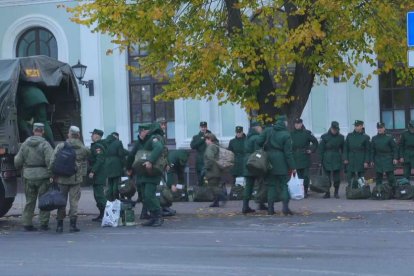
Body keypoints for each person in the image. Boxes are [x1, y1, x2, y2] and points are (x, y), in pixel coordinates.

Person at [14, 122, 54, 231]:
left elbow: (17, 161)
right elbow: (50, 161)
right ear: (43, 131)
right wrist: (51, 174)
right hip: (43, 176)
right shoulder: (45, 144)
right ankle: (44, 223)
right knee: (44, 200)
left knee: (30, 201)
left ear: (33, 131)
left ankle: (27, 223)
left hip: (28, 176)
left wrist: (21, 168)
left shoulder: (25, 144)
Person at [49, 126, 89, 233]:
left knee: (61, 202)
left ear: (69, 134)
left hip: (62, 179)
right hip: (75, 179)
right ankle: (72, 226)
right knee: (74, 202)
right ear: (79, 135)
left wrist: (52, 174)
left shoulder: (61, 146)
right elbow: (88, 157)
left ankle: (59, 226)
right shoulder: (83, 148)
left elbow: (52, 161)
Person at [256, 115, 296, 215]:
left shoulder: (268, 130)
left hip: (268, 161)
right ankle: (285, 208)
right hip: (281, 161)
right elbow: (288, 153)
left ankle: (270, 209)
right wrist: (293, 167)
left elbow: (259, 141)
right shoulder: (286, 134)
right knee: (283, 185)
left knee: (271, 185)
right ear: (284, 123)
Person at [127, 123, 165, 227]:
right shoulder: (139, 142)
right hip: (142, 174)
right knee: (144, 197)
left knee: (149, 195)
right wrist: (128, 168)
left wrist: (150, 161)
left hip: (152, 172)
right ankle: (153, 217)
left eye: (140, 132)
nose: (139, 134)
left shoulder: (153, 139)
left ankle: (158, 217)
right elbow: (131, 155)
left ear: (146, 131)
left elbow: (159, 148)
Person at [290, 118, 318, 198]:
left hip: (304, 156)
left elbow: (315, 142)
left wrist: (311, 150)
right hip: (295, 157)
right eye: (296, 123)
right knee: (297, 176)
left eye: (298, 123)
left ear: (301, 124)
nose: (297, 125)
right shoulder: (291, 134)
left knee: (305, 176)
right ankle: (298, 191)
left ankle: (305, 191)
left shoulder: (307, 133)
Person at [319, 121, 345, 198]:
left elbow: (344, 149)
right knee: (327, 178)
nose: (335, 131)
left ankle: (336, 192)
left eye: (336, 129)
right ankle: (327, 193)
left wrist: (344, 158)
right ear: (331, 128)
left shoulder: (341, 137)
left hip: (337, 158)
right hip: (326, 158)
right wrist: (320, 161)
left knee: (337, 178)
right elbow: (321, 150)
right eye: (334, 129)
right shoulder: (324, 137)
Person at [242, 122, 263, 214]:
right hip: (255, 163)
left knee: (248, 186)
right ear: (256, 128)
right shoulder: (256, 138)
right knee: (261, 184)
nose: (261, 129)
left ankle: (245, 206)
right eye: (260, 127)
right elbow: (258, 152)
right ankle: (261, 203)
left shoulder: (248, 138)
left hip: (247, 163)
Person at [370, 122, 398, 190]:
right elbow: (372, 150)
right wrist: (372, 160)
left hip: (388, 158)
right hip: (378, 159)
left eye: (381, 128)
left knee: (391, 177)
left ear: (384, 128)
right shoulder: (374, 138)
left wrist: (395, 158)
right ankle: (378, 191)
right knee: (378, 177)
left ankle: (394, 190)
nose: (380, 129)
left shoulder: (389, 137)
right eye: (378, 128)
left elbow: (395, 148)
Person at [343, 120, 370, 188]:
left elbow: (368, 150)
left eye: (357, 126)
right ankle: (351, 189)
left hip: (361, 158)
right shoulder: (349, 136)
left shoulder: (366, 137)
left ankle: (362, 190)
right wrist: (345, 158)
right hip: (351, 158)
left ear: (361, 126)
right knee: (350, 175)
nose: (356, 127)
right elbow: (345, 148)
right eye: (355, 126)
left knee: (361, 176)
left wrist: (366, 161)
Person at [204, 133, 227, 207]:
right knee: (215, 185)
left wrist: (206, 167)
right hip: (218, 169)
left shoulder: (210, 147)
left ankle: (223, 197)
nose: (205, 141)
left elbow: (210, 158)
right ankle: (216, 202)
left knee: (212, 186)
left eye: (206, 139)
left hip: (212, 170)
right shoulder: (217, 146)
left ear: (210, 140)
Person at [88, 129, 107, 222]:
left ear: (97, 136)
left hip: (99, 174)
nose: (91, 136)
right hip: (97, 174)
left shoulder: (98, 146)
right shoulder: (96, 145)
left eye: (93, 134)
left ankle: (106, 214)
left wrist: (93, 171)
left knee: (100, 195)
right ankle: (102, 214)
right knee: (97, 195)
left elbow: (99, 160)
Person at [103, 132, 127, 201]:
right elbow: (121, 154)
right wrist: (125, 164)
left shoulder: (104, 142)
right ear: (116, 136)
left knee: (110, 182)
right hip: (116, 164)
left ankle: (109, 198)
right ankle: (116, 198)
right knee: (116, 183)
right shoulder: (118, 143)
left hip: (107, 164)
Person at [190, 121, 212, 186]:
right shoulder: (196, 137)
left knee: (209, 179)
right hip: (200, 160)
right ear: (199, 127)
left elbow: (216, 143)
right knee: (200, 179)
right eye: (202, 127)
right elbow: (192, 146)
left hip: (209, 160)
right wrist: (202, 139)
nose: (203, 128)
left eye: (204, 127)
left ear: (206, 127)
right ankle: (200, 193)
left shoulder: (211, 135)